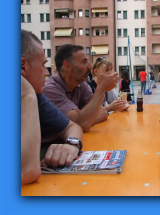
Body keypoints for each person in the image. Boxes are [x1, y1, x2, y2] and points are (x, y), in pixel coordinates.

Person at [21, 30, 83, 184]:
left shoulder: (37, 96)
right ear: (22, 66)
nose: (46, 73)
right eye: (43, 65)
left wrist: (72, 144)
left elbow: (73, 126)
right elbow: (27, 170)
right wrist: (27, 95)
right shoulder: (33, 93)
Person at [43, 44, 119, 132]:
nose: (90, 67)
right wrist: (101, 88)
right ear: (68, 66)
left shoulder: (80, 85)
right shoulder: (49, 89)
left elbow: (103, 113)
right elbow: (82, 124)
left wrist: (83, 118)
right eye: (84, 62)